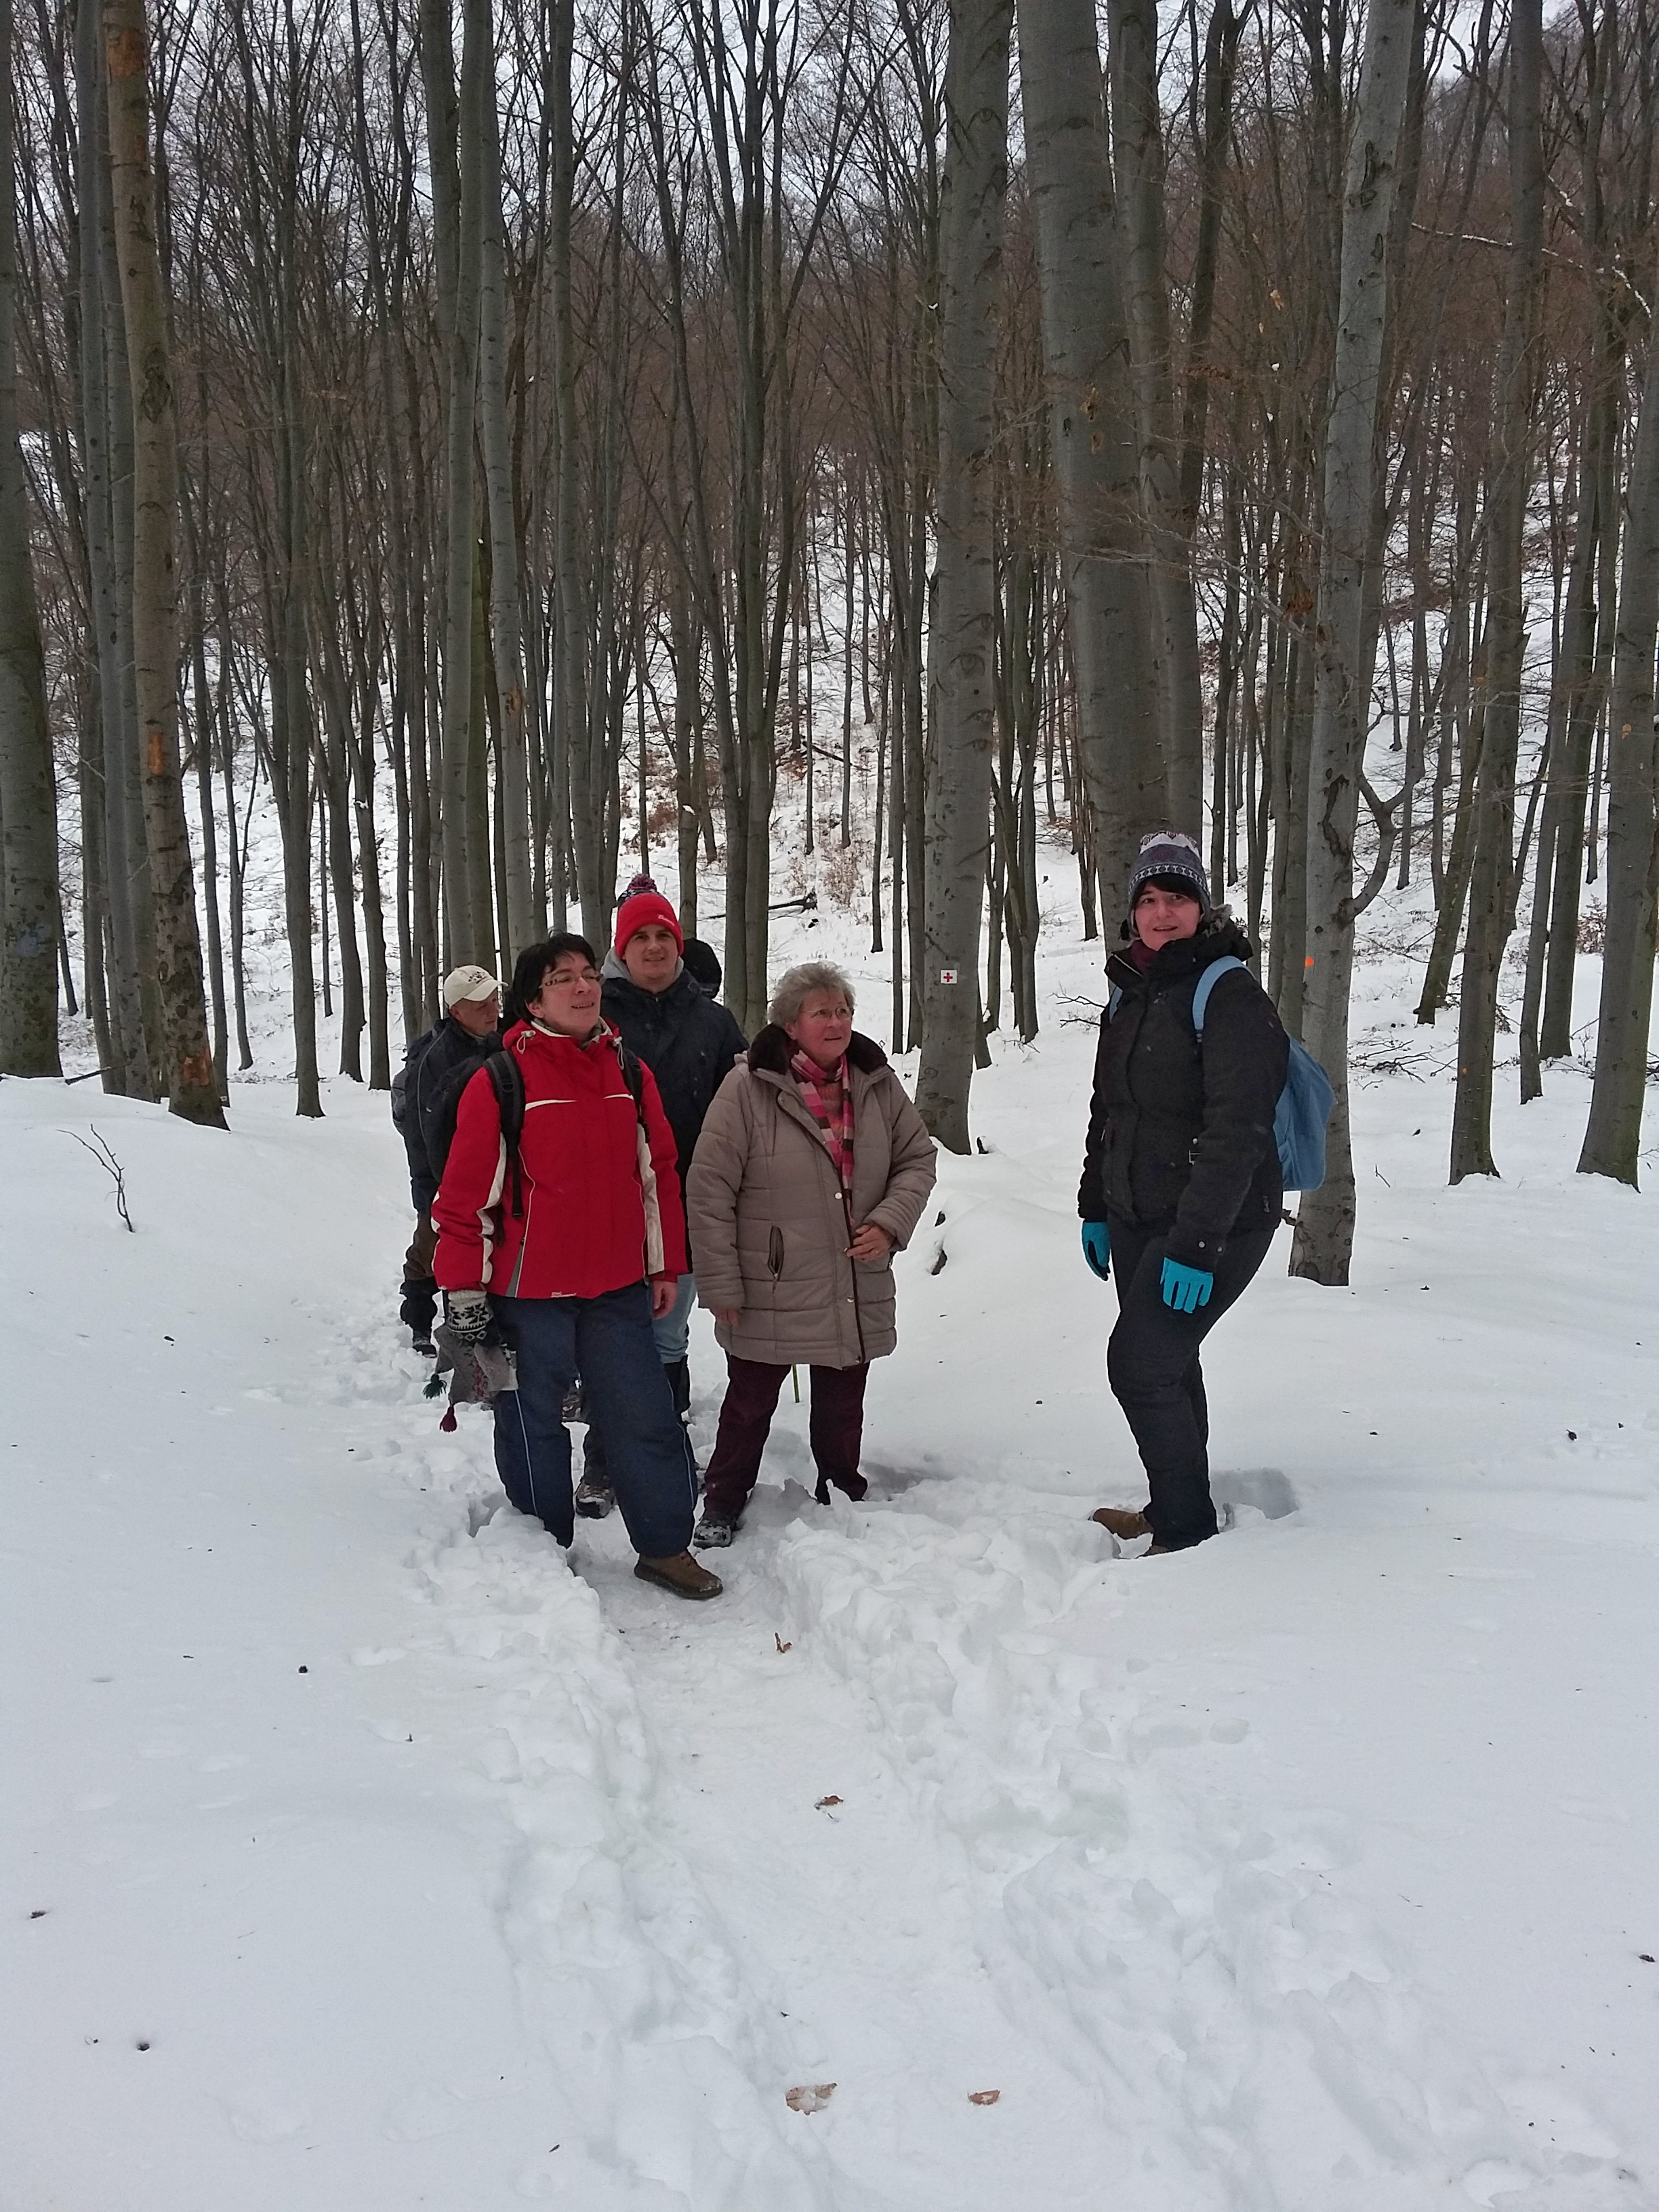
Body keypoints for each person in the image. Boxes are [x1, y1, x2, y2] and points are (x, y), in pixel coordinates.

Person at [431, 934, 722, 1601]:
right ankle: (543, 1547)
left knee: (645, 1415)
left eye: (589, 973)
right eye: (563, 978)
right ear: (533, 1002)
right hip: (527, 1294)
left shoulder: (628, 1072)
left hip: (617, 1289)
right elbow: (465, 1199)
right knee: (530, 1421)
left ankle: (665, 1547)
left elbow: (658, 1176)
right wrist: (464, 1291)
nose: (584, 986)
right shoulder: (500, 1081)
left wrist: (664, 1267)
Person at [1079, 831, 1289, 1556]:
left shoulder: (1228, 993)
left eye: (1177, 897)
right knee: (1171, 1363)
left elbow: (1239, 1130)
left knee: (1140, 1366)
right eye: (1148, 899)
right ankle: (1179, 1504)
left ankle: (1184, 1530)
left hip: (1219, 1221)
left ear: (1201, 907)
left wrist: (1197, 1245)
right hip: (1138, 1214)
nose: (1162, 913)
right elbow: (1109, 1110)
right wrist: (1095, 1206)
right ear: (1132, 912)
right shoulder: (1130, 991)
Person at [685, 960, 937, 1549]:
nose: (836, 1022)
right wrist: (720, 1282)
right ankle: (722, 1500)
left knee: (844, 1403)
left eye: (843, 1011)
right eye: (821, 1012)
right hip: (769, 1279)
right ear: (790, 1025)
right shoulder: (747, 1087)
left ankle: (841, 1489)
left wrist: (890, 1223)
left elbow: (917, 1159)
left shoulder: (876, 1083)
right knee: (749, 1404)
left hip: (853, 1273)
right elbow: (710, 1188)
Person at [575, 883, 747, 1517]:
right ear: (621, 948)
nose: (654, 947)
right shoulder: (593, 1015)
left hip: (695, 1204)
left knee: (669, 1338)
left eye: (664, 936)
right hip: (613, 1207)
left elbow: (746, 1112)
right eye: (640, 937)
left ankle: (664, 1450)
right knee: (617, 1340)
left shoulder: (714, 1021)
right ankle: (603, 1459)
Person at [395, 964, 503, 1354]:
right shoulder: (433, 1058)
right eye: (480, 1005)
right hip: (441, 1180)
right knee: (431, 1253)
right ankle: (420, 1321)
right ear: (456, 1011)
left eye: (494, 1000)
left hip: (491, 1175)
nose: (492, 1010)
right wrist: (435, 1194)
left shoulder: (503, 1040)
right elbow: (421, 1135)